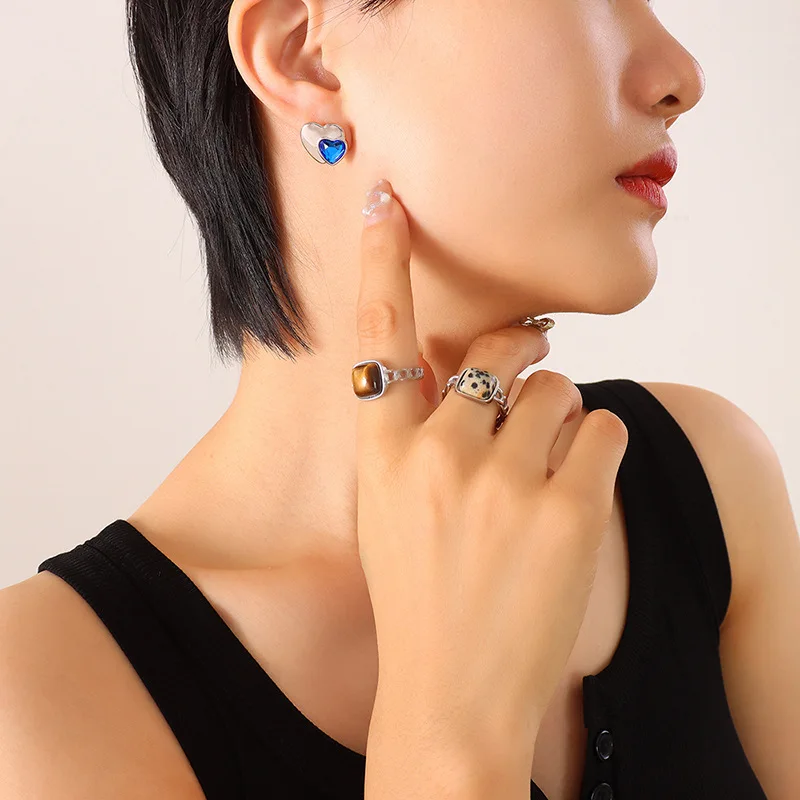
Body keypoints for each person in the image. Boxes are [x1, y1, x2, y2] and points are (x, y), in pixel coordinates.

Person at [1, 0, 798, 798]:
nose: (680, 78)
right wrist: (451, 729)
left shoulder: (710, 482)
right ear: (306, 54)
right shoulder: (41, 701)